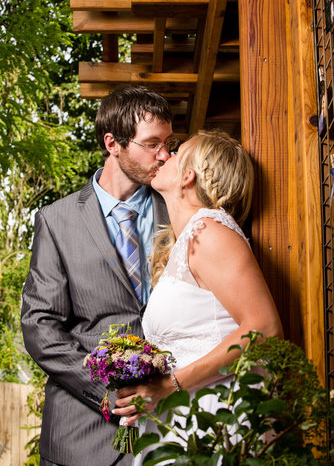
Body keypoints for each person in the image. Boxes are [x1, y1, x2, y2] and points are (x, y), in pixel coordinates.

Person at [21, 85, 177, 466]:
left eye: (169, 143)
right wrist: (108, 393)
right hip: (81, 435)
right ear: (113, 143)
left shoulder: (180, 209)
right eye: (152, 143)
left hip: (171, 427)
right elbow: (40, 324)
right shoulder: (56, 221)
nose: (165, 155)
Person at [112, 130, 283, 462]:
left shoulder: (210, 233)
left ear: (188, 175)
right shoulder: (191, 238)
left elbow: (265, 329)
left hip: (214, 415)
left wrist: (167, 386)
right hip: (184, 419)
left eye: (175, 152)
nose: (164, 156)